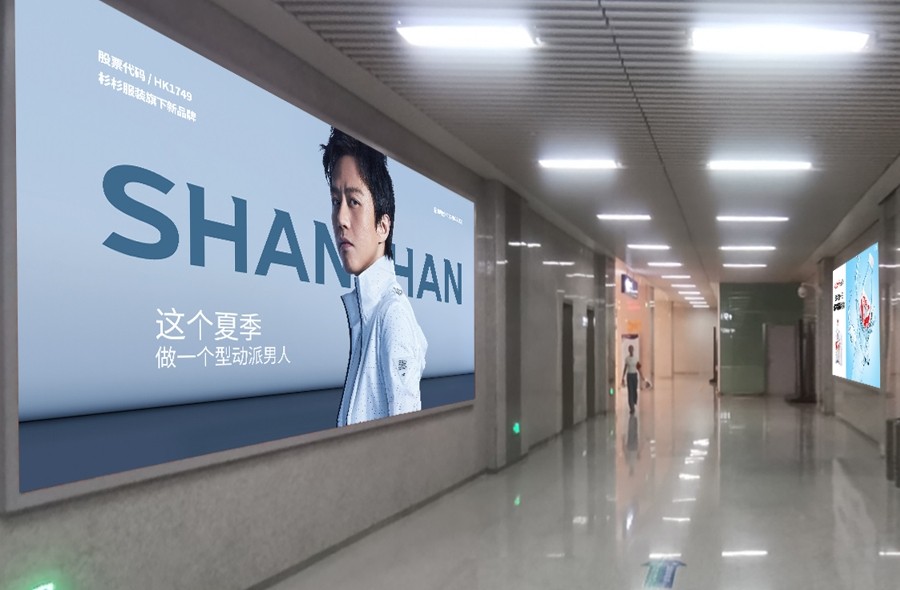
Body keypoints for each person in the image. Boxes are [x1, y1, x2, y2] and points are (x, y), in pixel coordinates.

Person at [321, 127, 428, 427]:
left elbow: (408, 437)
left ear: (383, 226)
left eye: (354, 202)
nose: (341, 219)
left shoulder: (391, 316)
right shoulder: (369, 313)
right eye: (336, 201)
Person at [621, 344, 641, 414]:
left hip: (634, 375)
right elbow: (625, 368)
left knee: (634, 390)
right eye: (630, 349)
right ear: (628, 350)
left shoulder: (636, 358)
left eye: (632, 349)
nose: (631, 350)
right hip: (629, 375)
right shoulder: (627, 359)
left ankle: (634, 401)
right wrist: (623, 377)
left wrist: (642, 376)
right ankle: (631, 407)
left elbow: (639, 368)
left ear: (633, 350)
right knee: (630, 391)